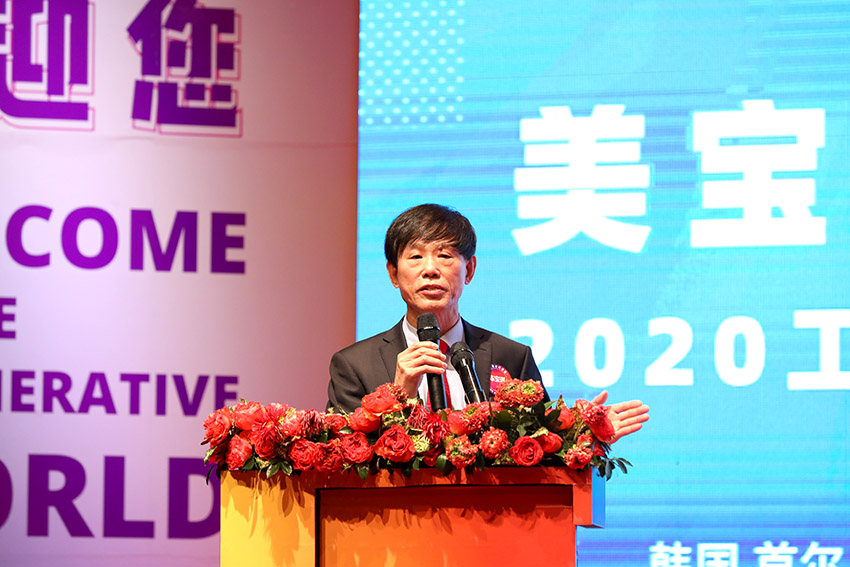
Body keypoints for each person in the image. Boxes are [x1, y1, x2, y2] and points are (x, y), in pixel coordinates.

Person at [327, 204, 649, 441]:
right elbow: (342, 456)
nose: (430, 269)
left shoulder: (513, 356)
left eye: (444, 255)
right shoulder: (354, 366)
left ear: (469, 270)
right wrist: (400, 394)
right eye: (415, 257)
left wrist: (583, 431)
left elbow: (541, 443)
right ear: (393, 274)